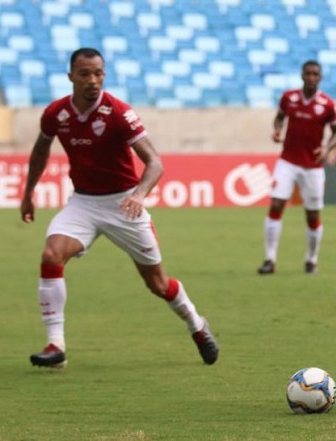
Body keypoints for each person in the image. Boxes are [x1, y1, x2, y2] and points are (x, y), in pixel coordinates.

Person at [20, 48, 218, 369]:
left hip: (124, 204)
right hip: (83, 203)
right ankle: (56, 346)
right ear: (71, 77)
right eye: (85, 74)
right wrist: (29, 192)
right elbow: (41, 150)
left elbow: (154, 162)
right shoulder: (56, 113)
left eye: (98, 73)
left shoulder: (118, 113)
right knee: (51, 255)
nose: (93, 80)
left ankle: (196, 324)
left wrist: (139, 195)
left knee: (157, 284)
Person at [258, 60, 336, 275]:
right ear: (302, 75)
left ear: (320, 77)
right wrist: (277, 130)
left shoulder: (327, 104)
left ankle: (311, 260)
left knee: (312, 215)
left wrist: (327, 148)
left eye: (315, 74)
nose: (311, 77)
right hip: (287, 161)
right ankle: (269, 259)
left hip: (313, 166)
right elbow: (279, 118)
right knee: (276, 205)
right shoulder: (289, 98)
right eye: (308, 73)